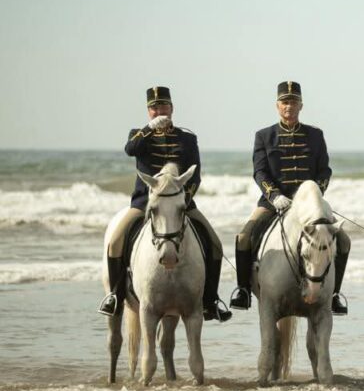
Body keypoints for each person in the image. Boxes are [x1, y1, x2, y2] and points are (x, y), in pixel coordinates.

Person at [98, 86, 231, 321]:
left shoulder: (187, 138)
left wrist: (182, 200)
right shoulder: (139, 135)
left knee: (215, 243)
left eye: (163, 106)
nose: (159, 110)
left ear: (172, 108)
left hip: (181, 203)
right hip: (144, 204)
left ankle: (210, 301)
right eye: (154, 107)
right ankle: (115, 297)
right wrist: (148, 129)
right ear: (148, 111)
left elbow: (196, 176)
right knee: (115, 241)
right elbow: (130, 150)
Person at [229, 81, 350, 315]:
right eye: (285, 102)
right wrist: (274, 196)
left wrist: (314, 195)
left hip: (308, 207)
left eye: (293, 102)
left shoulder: (315, 135)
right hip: (274, 203)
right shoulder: (264, 136)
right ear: (277, 106)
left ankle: (334, 295)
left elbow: (324, 171)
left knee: (343, 240)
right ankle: (243, 290)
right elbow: (260, 171)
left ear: (301, 106)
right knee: (244, 237)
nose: (289, 107)